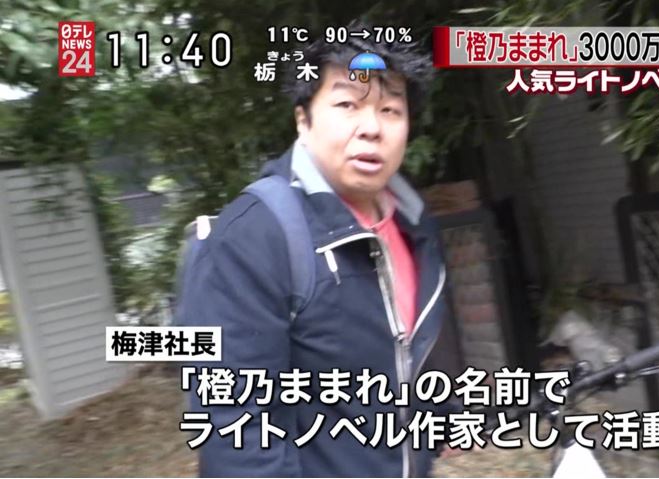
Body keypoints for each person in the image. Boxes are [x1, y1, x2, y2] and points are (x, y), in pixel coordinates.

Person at [179, 24, 457, 478]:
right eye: (347, 105)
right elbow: (237, 436)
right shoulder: (249, 238)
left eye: (390, 109)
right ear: (302, 120)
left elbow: (407, 349)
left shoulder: (414, 223)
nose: (371, 128)